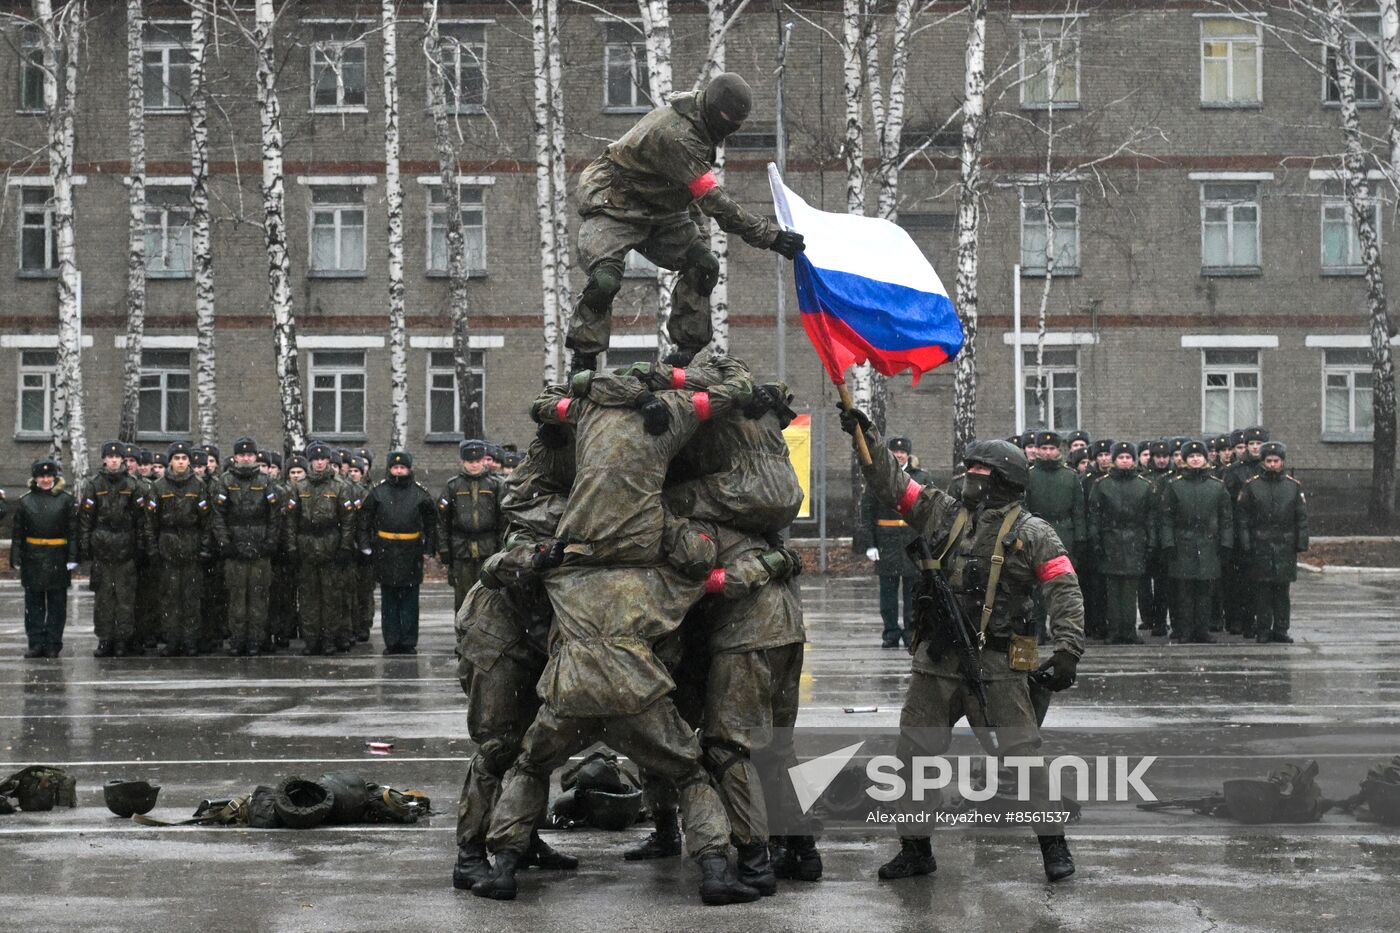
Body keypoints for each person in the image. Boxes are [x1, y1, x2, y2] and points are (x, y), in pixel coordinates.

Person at [839, 407, 1083, 884]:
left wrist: (1069, 650)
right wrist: (864, 437)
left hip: (998, 664)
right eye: (969, 471)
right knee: (913, 757)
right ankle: (915, 849)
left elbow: (1065, 591)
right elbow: (893, 483)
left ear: (1005, 481)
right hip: (936, 662)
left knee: (1022, 757)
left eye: (980, 473)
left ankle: (1053, 845)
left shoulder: (1033, 533)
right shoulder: (944, 512)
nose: (969, 478)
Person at [566, 72, 805, 370]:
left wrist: (698, 240)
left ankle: (685, 352)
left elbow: (688, 193)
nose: (729, 131)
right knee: (605, 279)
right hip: (615, 201)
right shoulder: (679, 135)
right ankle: (583, 356)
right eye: (728, 122)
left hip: (662, 208)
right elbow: (712, 201)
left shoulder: (701, 123)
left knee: (703, 265)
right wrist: (771, 236)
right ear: (714, 111)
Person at [359, 450, 437, 655]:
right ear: (389, 468)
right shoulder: (378, 492)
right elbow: (364, 520)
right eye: (395, 467)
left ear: (409, 469)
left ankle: (408, 641)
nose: (399, 471)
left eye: (403, 468)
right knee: (389, 600)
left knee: (410, 600)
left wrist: (429, 548)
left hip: (410, 552)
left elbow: (431, 523)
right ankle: (392, 641)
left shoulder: (420, 494)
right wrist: (366, 545)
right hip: (385, 551)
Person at [210, 437, 283, 657]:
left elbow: (274, 516)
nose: (245, 458)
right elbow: (218, 516)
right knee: (236, 597)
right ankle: (238, 639)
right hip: (235, 548)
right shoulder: (225, 481)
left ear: (255, 457)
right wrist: (225, 543)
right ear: (234, 457)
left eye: (249, 455)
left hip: (260, 547)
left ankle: (255, 640)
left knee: (258, 597)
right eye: (241, 455)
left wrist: (270, 542)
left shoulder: (266, 481)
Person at [859, 436, 931, 648]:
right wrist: (870, 543)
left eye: (903, 452)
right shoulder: (879, 477)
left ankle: (910, 632)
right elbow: (868, 511)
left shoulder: (921, 477)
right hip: (886, 540)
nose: (899, 455)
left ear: (908, 454)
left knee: (912, 592)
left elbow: (929, 510)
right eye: (895, 452)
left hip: (911, 539)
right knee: (888, 593)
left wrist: (927, 541)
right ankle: (890, 632)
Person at [286, 443, 357, 655]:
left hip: (331, 546)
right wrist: (291, 546)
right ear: (310, 461)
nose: (319, 462)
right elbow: (290, 520)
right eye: (315, 459)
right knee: (308, 598)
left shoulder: (339, 486)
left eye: (323, 459)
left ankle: (329, 640)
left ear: (328, 461)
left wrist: (345, 547)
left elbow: (348, 520)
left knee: (331, 597)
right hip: (306, 545)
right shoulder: (300, 486)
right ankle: (311, 640)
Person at [1158, 440, 1232, 643]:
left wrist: (1226, 543)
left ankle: (1202, 630)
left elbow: (1226, 518)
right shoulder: (1175, 486)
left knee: (1205, 591)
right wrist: (1168, 543)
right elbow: (1166, 519)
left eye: (1199, 456)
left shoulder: (1217, 486)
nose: (1195, 459)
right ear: (1184, 460)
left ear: (1205, 458)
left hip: (1209, 544)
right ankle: (1185, 630)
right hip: (1183, 543)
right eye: (1191, 457)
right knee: (1184, 591)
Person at [1235, 441, 1309, 644]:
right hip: (1261, 545)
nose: (1273, 464)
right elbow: (1243, 519)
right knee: (1263, 591)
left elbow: (1301, 518)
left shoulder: (1293, 487)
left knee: (1282, 591)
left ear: (1283, 462)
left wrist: (1301, 543)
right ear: (1263, 462)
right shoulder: (1252, 486)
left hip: (1285, 546)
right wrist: (1246, 543)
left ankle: (1281, 629)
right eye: (1269, 461)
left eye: (1276, 461)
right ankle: (1264, 630)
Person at [145, 442, 212, 657]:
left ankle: (190, 641)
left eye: (184, 458)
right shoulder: (159, 486)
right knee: (170, 597)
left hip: (191, 546)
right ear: (170, 461)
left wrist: (204, 547)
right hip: (168, 547)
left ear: (189, 461)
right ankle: (172, 640)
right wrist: (154, 548)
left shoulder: (199, 486)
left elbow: (206, 522)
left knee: (191, 597)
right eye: (177, 458)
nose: (181, 462)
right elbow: (150, 521)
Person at [78, 441, 144, 657]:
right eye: (110, 457)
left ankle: (122, 640)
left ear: (123, 460)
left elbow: (140, 520)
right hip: (103, 549)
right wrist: (85, 545)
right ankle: (105, 639)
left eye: (118, 457)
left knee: (125, 599)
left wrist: (139, 547)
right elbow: (86, 519)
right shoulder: (94, 484)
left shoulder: (133, 485)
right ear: (104, 460)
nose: (114, 461)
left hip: (126, 548)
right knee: (103, 599)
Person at [1087, 442, 1155, 645]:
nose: (1125, 461)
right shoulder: (1102, 485)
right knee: (1113, 590)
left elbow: (1151, 517)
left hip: (1135, 540)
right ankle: (1115, 630)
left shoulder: (1144, 485)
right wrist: (1096, 541)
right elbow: (1094, 516)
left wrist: (1150, 541)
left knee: (1130, 589)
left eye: (1128, 457)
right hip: (1111, 541)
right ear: (1114, 460)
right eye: (1121, 457)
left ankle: (1129, 630)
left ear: (1133, 460)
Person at [11, 459, 78, 659]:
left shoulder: (66, 500)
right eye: (41, 476)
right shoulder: (25, 501)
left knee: (57, 604)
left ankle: (53, 644)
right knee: (34, 605)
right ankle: (36, 643)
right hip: (33, 557)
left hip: (58, 556)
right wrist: (16, 555)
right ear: (35, 478)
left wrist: (73, 556)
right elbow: (18, 533)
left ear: (55, 477)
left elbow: (73, 531)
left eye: (49, 476)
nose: (46, 480)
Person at [437, 439, 504, 613]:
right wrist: (444, 548)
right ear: (462, 462)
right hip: (461, 549)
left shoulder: (495, 485)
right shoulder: (453, 486)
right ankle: (465, 635)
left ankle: (486, 636)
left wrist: (502, 547)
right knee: (463, 597)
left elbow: (503, 519)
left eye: (477, 461)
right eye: (470, 462)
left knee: (489, 595)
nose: (474, 465)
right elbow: (443, 521)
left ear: (484, 461)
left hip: (488, 547)